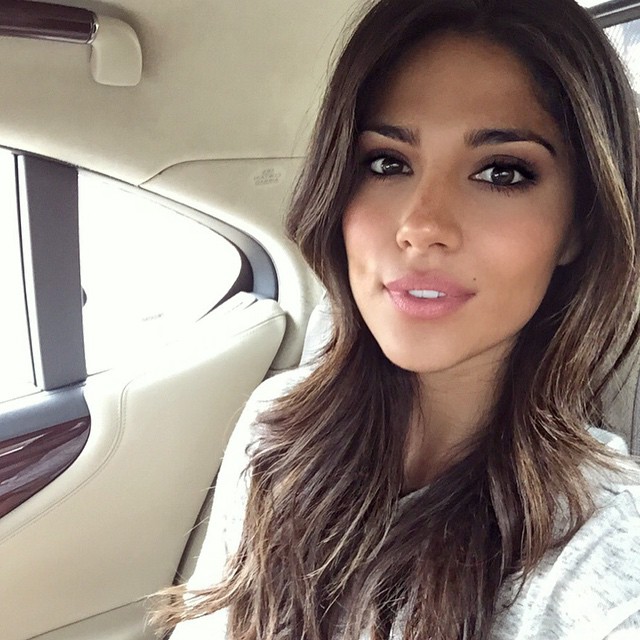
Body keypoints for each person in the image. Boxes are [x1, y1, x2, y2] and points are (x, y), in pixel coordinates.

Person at [154, 0, 640, 637]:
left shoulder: (605, 549)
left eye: (501, 172)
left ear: (578, 226)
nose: (421, 225)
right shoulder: (277, 427)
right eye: (387, 163)